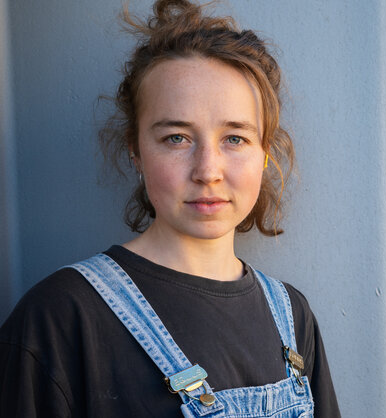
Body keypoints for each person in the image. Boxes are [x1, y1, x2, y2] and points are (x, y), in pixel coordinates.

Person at [0, 1, 340, 416]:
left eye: (235, 138)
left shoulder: (292, 316)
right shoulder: (60, 318)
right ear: (136, 152)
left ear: (265, 154)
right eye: (177, 138)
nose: (208, 171)